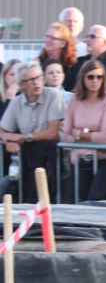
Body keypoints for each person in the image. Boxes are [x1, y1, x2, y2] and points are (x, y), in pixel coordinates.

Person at [0, 61, 65, 203]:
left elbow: (52, 133)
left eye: (39, 78)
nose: (37, 83)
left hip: (52, 156)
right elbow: (2, 130)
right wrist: (8, 140)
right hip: (28, 155)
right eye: (31, 80)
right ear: (22, 84)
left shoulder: (53, 95)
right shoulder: (16, 102)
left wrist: (22, 137)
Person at [61, 60, 106, 201]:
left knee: (95, 199)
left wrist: (79, 133)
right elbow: (65, 136)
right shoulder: (75, 100)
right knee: (78, 203)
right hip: (80, 161)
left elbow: (104, 138)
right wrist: (92, 134)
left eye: (99, 77)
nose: (95, 80)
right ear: (83, 78)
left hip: (104, 161)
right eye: (91, 77)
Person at [69, 25, 106, 91]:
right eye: (87, 36)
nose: (87, 40)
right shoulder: (78, 62)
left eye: (92, 37)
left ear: (105, 42)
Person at [38, 22, 77, 91]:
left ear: (63, 43)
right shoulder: (39, 64)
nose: (47, 40)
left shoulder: (73, 68)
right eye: (47, 37)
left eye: (52, 38)